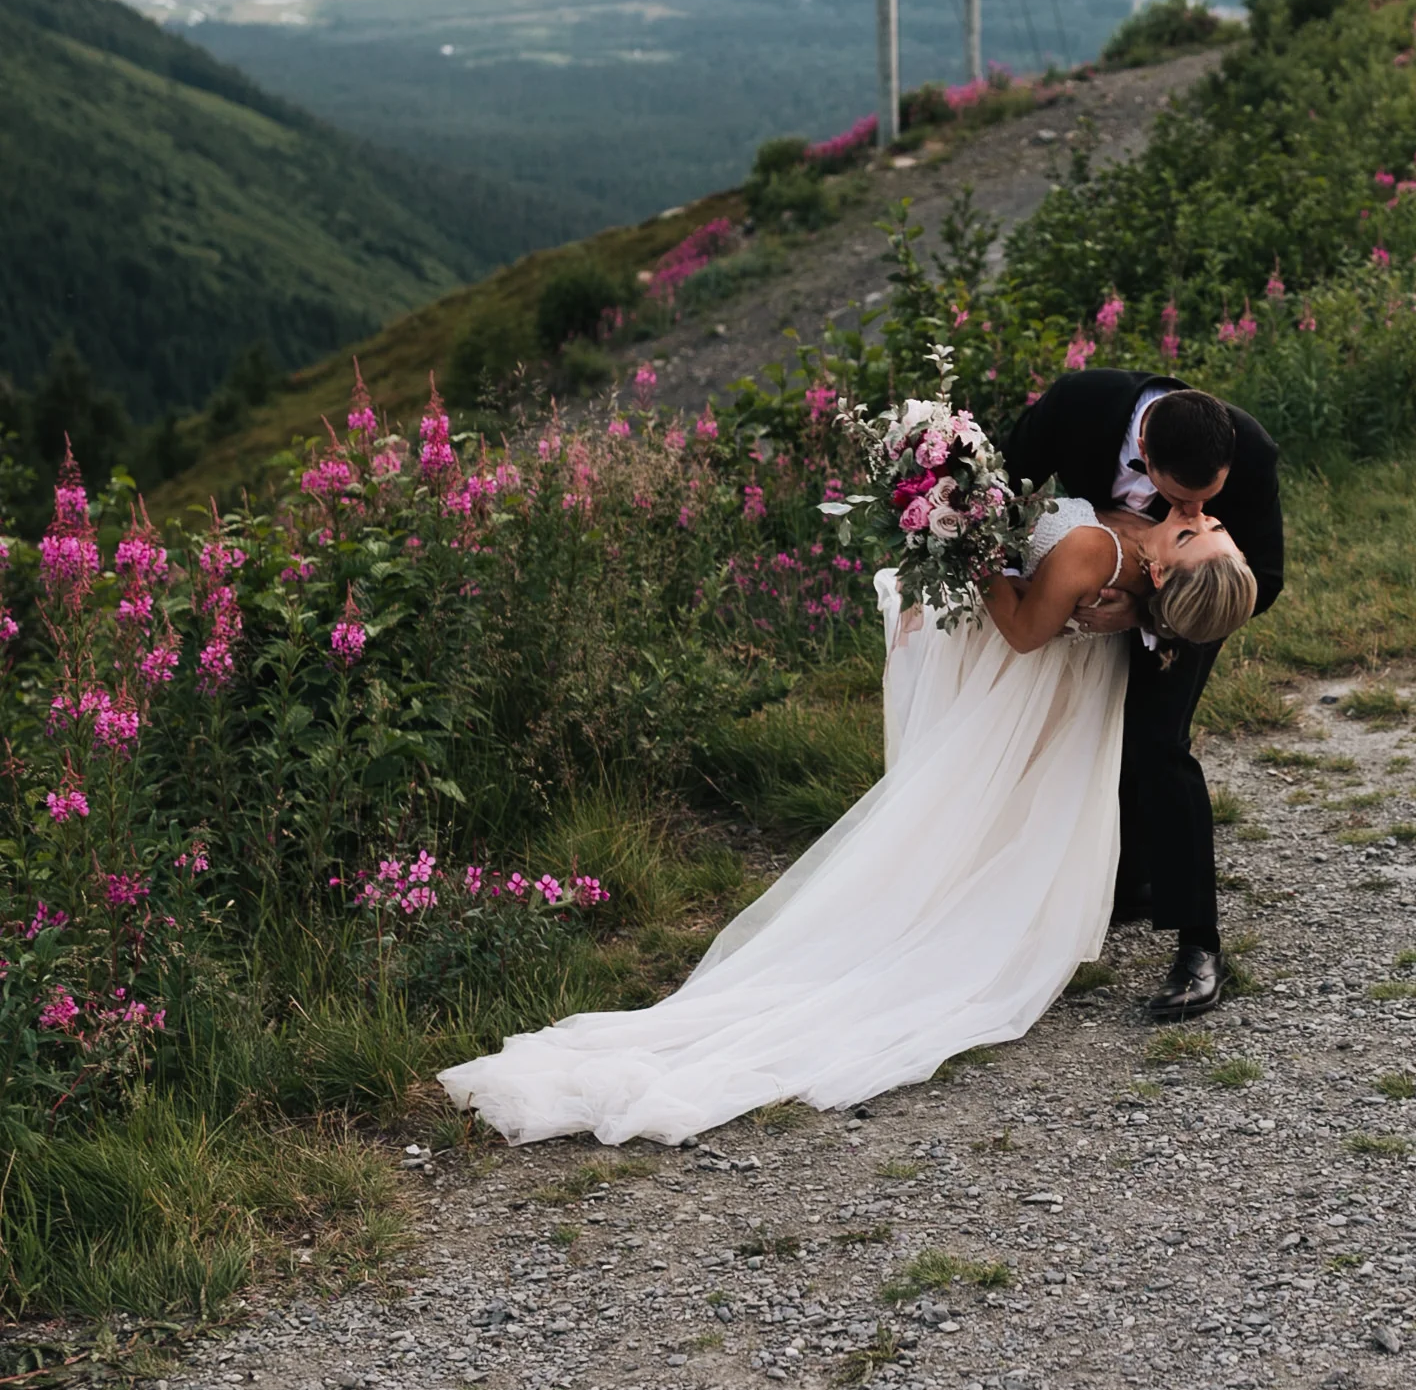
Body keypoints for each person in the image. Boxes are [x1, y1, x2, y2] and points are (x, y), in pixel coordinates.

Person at [437, 491, 1254, 1147]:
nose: (1206, 518)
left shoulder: (1112, 556)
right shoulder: (1142, 532)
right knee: (977, 804)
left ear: (1160, 571)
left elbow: (1024, 626)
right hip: (1038, 662)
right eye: (1210, 524)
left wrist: (961, 544)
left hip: (1012, 659)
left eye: (1201, 535)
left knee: (960, 801)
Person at [1004, 376, 1283, 1023]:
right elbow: (1001, 488)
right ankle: (1125, 882)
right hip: (1081, 575)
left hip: (1189, 607)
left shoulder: (1250, 450)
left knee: (1157, 743)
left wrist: (1145, 610)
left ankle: (1198, 946)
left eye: (1205, 500)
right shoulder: (1076, 406)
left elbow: (1262, 578)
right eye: (1181, 499)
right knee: (1075, 730)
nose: (1192, 512)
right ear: (1147, 460)